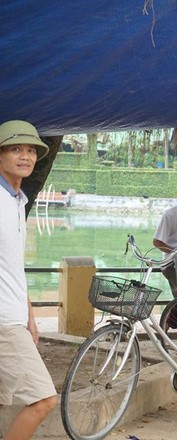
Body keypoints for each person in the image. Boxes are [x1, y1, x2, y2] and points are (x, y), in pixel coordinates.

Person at [0, 120, 57, 438]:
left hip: (14, 318)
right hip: (3, 322)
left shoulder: (16, 201)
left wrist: (30, 317)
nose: (25, 156)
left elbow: (12, 267)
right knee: (43, 399)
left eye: (30, 150)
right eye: (15, 149)